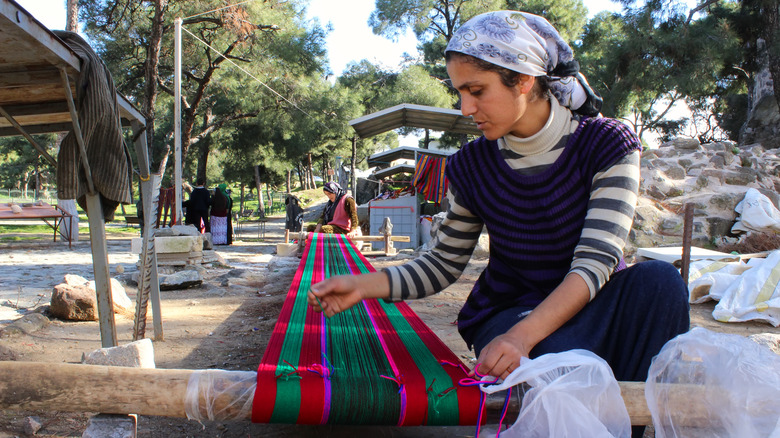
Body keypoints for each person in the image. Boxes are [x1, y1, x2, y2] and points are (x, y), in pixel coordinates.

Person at [308, 11, 689, 433]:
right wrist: (366, 285)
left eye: (476, 91)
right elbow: (443, 263)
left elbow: (596, 262)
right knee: (561, 363)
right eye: (459, 93)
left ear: (524, 79)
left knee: (660, 284)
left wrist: (522, 339)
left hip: (586, 308)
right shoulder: (472, 166)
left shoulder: (607, 144)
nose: (465, 108)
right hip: (511, 311)